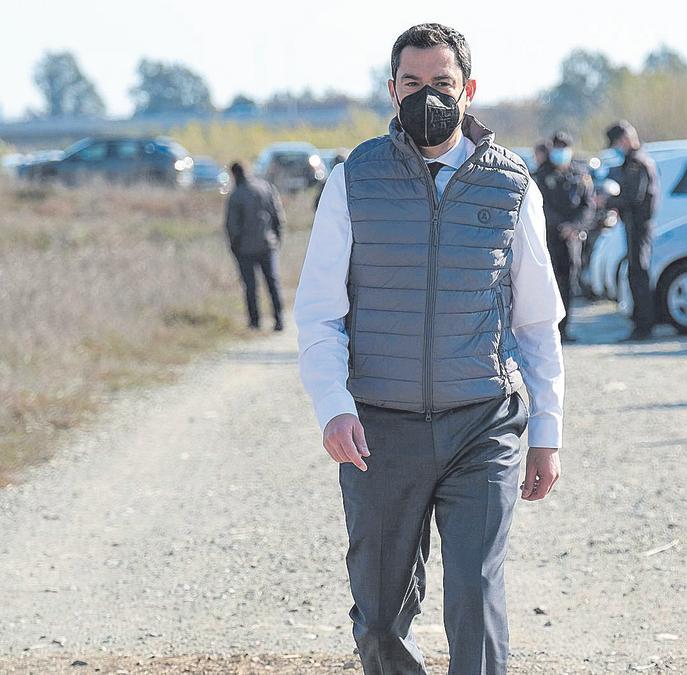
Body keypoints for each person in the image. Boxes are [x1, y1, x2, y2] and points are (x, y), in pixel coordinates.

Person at [293, 23, 565, 675]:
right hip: (380, 430)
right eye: (412, 84)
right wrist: (333, 404)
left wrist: (547, 431)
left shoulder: (511, 184)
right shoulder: (352, 180)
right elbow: (318, 311)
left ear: (468, 91)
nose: (426, 97)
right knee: (381, 618)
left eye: (441, 84)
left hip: (482, 425)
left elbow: (536, 321)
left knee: (474, 596)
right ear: (392, 91)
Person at [534, 130, 594, 342]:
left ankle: (564, 328)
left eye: (564, 147)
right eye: (557, 147)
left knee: (568, 282)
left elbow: (588, 206)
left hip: (573, 239)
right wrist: (561, 226)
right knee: (549, 282)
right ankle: (549, 329)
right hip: (550, 237)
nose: (561, 152)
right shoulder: (542, 175)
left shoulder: (580, 174)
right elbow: (542, 207)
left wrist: (574, 226)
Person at [605, 120, 660, 341]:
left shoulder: (637, 163)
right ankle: (641, 322)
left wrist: (609, 201)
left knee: (639, 274)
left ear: (625, 139)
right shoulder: (635, 161)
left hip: (639, 226)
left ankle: (644, 325)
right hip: (634, 225)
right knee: (635, 273)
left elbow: (633, 198)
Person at [224, 161, 285, 331]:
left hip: (245, 249)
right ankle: (279, 320)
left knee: (251, 286)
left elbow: (232, 226)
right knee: (273, 283)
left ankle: (255, 322)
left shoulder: (236, 195)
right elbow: (278, 217)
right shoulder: (266, 187)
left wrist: (234, 246)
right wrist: (277, 239)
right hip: (268, 244)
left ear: (234, 174)